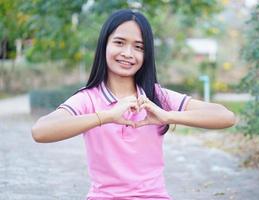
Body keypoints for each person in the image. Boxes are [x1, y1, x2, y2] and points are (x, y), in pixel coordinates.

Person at [31, 9, 235, 200]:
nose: (128, 53)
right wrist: (106, 116)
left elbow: (226, 117)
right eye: (119, 42)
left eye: (138, 47)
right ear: (104, 45)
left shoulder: (156, 96)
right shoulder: (88, 98)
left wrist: (168, 116)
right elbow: (41, 131)